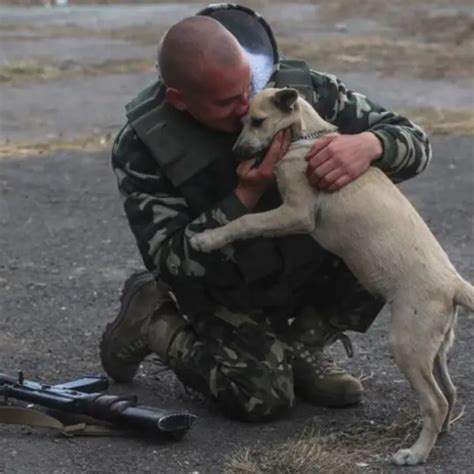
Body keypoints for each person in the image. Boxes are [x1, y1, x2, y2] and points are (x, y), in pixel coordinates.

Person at [100, 4, 431, 421]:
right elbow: (173, 261)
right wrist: (244, 194)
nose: (244, 109)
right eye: (224, 103)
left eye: (247, 87)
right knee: (261, 398)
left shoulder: (294, 93)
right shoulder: (146, 145)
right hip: (228, 285)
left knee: (392, 245)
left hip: (309, 262)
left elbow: (416, 143)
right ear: (179, 101)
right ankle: (152, 320)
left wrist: (370, 145)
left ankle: (300, 347)